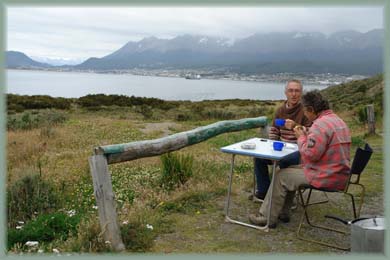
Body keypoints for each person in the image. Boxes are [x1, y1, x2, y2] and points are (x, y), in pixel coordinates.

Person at [249, 90, 351, 227]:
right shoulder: (337, 120)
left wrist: (301, 138)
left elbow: (310, 155)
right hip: (339, 172)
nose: (305, 114)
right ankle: (283, 212)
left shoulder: (320, 125)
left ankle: (266, 218)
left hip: (327, 176)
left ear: (311, 109)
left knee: (281, 175)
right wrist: (306, 132)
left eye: (306, 111)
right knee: (289, 170)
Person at [251, 79, 311, 201]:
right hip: (281, 147)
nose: (293, 94)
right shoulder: (280, 110)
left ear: (301, 93)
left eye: (297, 91)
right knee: (259, 158)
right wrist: (273, 136)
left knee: (283, 161)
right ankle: (264, 192)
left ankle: (282, 198)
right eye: (291, 91)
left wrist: (295, 126)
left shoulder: (305, 111)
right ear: (286, 93)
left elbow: (313, 132)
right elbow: (275, 130)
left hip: (299, 150)